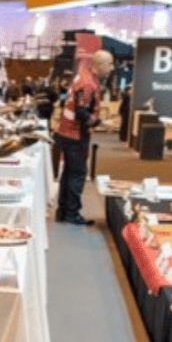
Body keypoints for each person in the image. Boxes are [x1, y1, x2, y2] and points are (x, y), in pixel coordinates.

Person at [54, 49, 115, 225]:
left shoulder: (83, 78)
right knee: (77, 174)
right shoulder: (88, 83)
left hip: (67, 132)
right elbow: (82, 112)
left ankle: (63, 211)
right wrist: (103, 124)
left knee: (68, 173)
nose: (112, 68)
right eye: (110, 64)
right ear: (100, 65)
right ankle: (72, 213)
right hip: (75, 135)